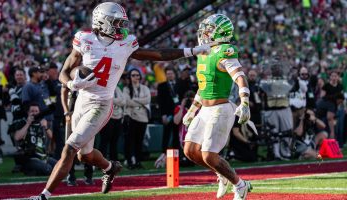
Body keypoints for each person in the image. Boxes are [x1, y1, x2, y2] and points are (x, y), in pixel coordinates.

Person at [32, 2, 211, 199]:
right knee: (85, 155)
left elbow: (157, 54)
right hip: (82, 101)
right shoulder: (84, 39)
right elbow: (63, 73)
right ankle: (110, 167)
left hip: (101, 104)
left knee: (70, 148)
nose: (121, 27)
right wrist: (72, 84)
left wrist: (192, 51)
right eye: (116, 23)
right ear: (102, 22)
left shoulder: (125, 44)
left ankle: (44, 195)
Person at [181, 14, 252, 200]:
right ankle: (222, 174)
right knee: (189, 150)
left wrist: (245, 101)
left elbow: (240, 76)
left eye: (209, 29)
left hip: (221, 109)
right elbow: (203, 86)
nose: (205, 32)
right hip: (205, 110)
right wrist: (192, 109)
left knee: (209, 155)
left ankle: (240, 185)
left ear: (221, 33)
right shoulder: (203, 52)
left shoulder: (225, 50)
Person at [12, 102, 56, 176]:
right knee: (48, 169)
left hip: (44, 157)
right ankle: (28, 169)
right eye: (32, 111)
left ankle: (33, 171)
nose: (34, 113)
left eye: (36, 111)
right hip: (31, 158)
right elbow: (17, 137)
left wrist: (46, 127)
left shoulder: (42, 123)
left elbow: (51, 137)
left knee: (61, 167)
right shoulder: (23, 122)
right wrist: (28, 123)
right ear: (28, 112)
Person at [123, 68, 151, 169]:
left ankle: (138, 161)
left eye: (137, 75)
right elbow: (127, 102)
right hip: (131, 116)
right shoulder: (126, 89)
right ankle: (130, 161)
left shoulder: (145, 88)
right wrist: (140, 101)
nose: (136, 77)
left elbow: (147, 100)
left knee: (139, 141)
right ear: (130, 77)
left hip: (143, 117)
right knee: (129, 141)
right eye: (133, 75)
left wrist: (135, 99)